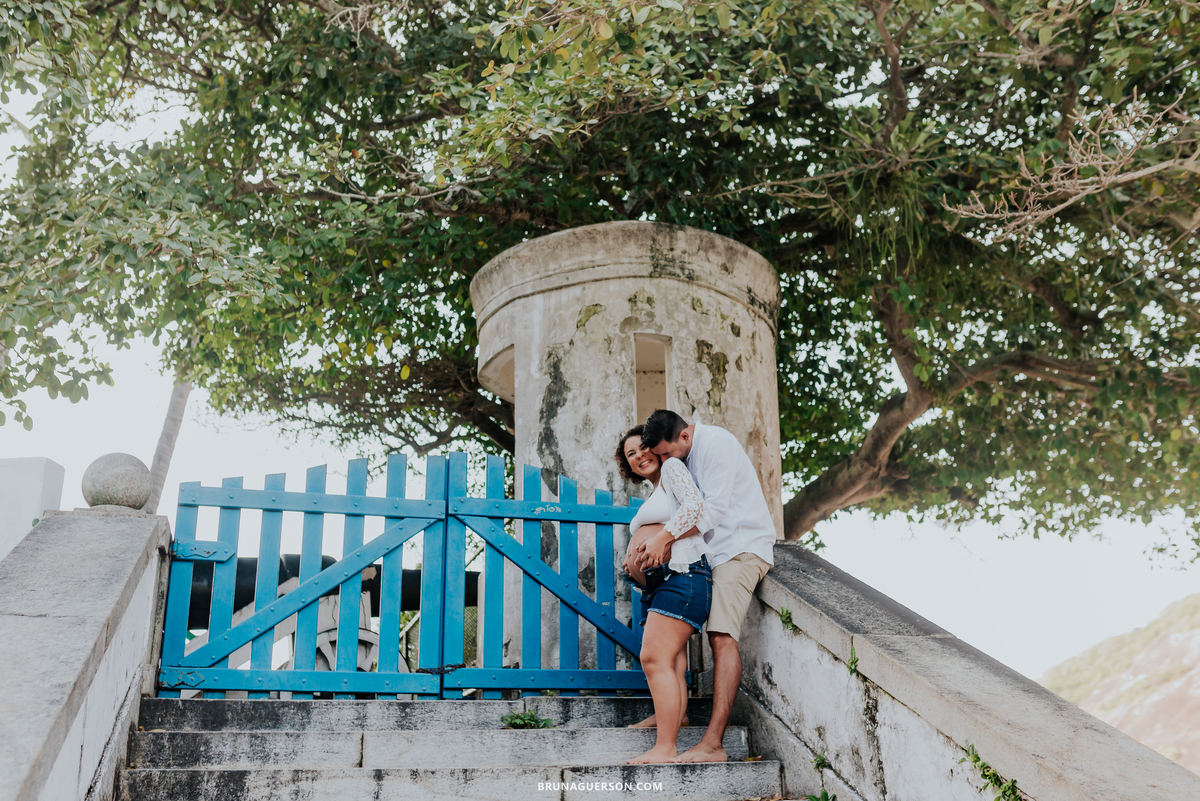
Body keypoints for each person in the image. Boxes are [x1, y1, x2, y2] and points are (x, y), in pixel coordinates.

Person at [635, 409, 775, 764]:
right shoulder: (683, 454)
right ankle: (676, 717)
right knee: (677, 647)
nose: (664, 461)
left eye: (666, 453)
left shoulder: (716, 445)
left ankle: (714, 743)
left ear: (684, 436)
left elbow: (710, 512)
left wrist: (663, 538)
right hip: (713, 556)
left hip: (739, 550)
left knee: (721, 637)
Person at [614, 425, 715, 764]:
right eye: (631, 454)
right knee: (670, 662)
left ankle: (665, 748)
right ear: (627, 466)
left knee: (653, 658)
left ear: (656, 448)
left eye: (642, 447)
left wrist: (660, 539)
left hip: (684, 576)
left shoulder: (673, 469)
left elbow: (696, 508)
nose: (639, 455)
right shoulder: (655, 492)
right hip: (659, 583)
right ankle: (674, 717)